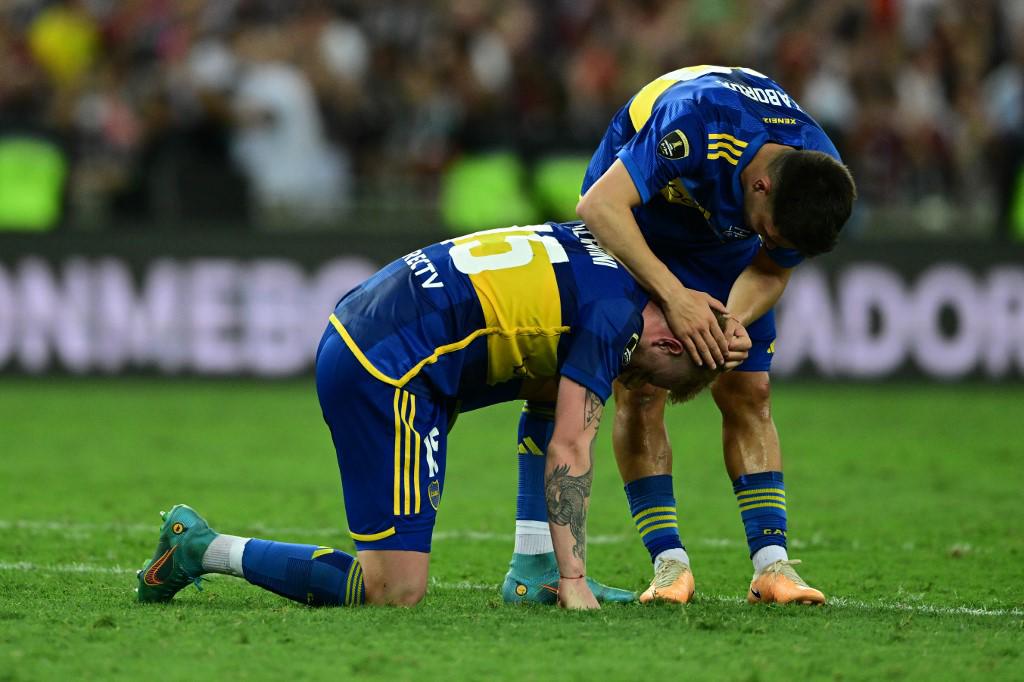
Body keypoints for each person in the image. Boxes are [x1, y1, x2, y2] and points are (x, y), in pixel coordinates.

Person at [136, 221, 749, 610]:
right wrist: (576, 581)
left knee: (550, 378)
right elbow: (571, 448)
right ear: (669, 342)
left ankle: (532, 568)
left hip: (379, 319)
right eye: (647, 376)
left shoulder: (612, 250)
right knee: (393, 590)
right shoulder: (615, 320)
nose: (633, 382)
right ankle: (203, 548)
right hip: (387, 368)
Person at [503, 66, 856, 606]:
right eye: (768, 228)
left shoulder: (815, 171)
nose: (771, 239)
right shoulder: (696, 121)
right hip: (638, 226)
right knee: (642, 391)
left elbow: (771, 266)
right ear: (760, 185)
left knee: (750, 390)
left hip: (722, 248)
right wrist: (674, 297)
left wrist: (729, 321)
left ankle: (772, 565)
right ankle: (669, 566)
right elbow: (598, 205)